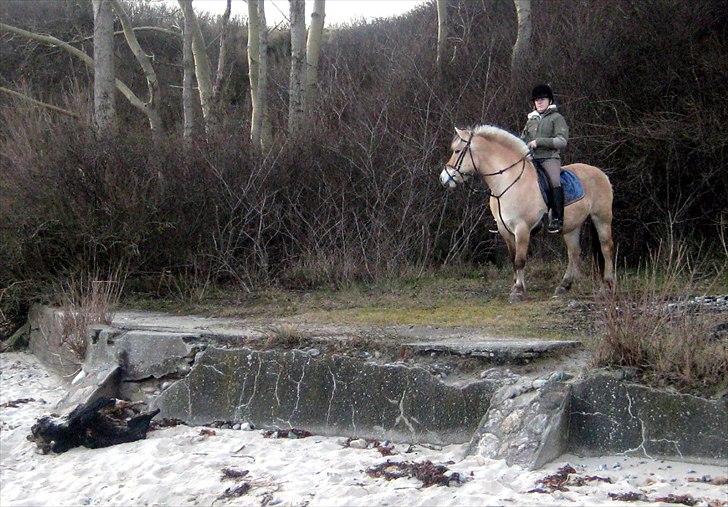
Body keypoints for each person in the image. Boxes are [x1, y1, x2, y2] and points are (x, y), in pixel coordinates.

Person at [521, 84, 569, 233]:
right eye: (536, 100)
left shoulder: (556, 118)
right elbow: (523, 139)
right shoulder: (531, 121)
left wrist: (540, 142)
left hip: (549, 158)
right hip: (532, 159)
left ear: (549, 100)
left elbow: (562, 141)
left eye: (542, 99)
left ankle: (557, 218)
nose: (539, 102)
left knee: (554, 181)